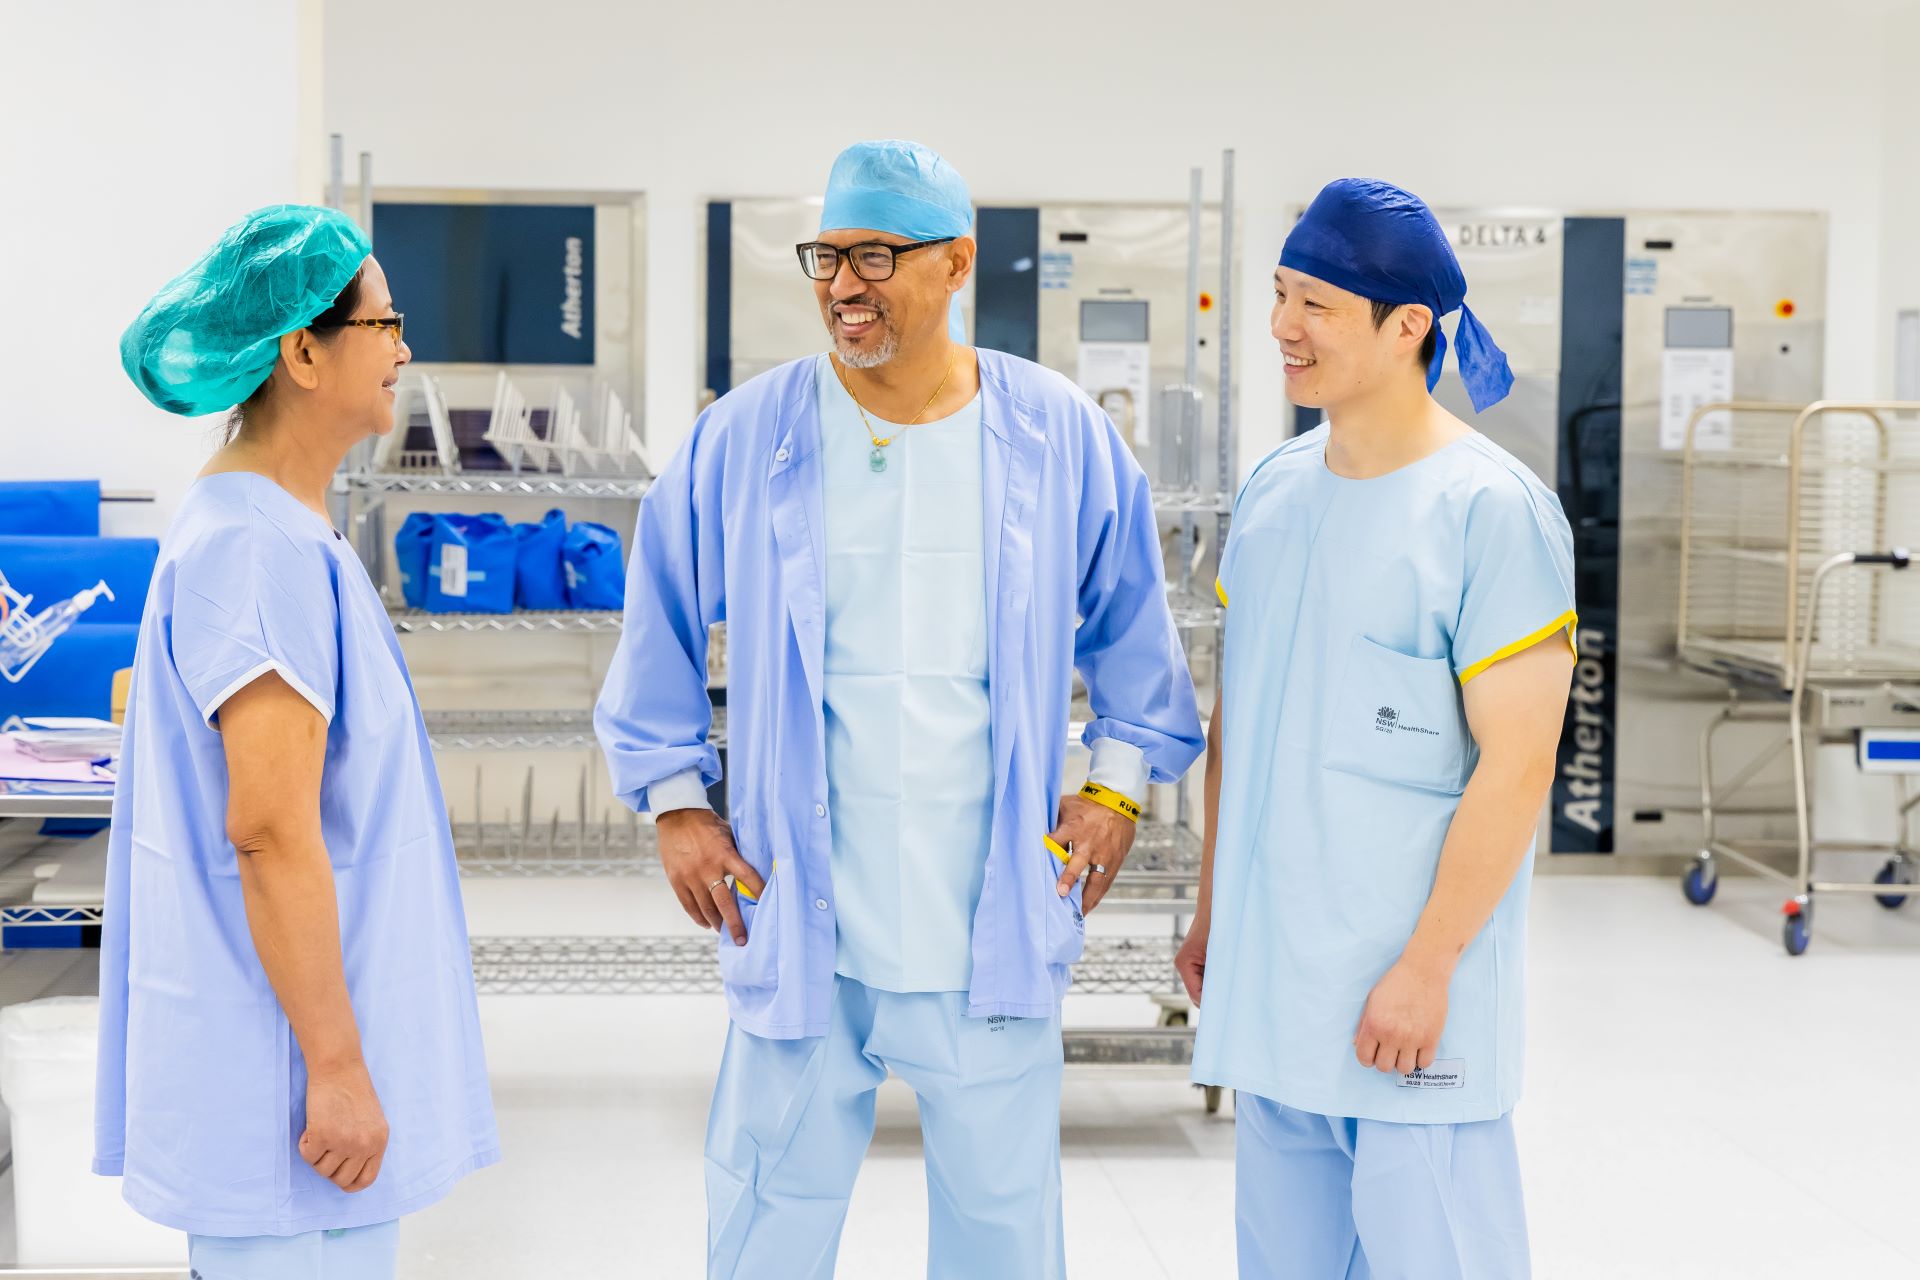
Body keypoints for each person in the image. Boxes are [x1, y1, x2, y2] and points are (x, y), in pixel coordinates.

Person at [595, 139, 1205, 1279]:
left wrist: (1117, 787)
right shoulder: (752, 432)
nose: (841, 284)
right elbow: (660, 613)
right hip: (799, 908)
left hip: (985, 909)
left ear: (957, 263)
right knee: (767, 1215)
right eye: (824, 255)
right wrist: (678, 801)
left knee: (1001, 1229)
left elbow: (1137, 633)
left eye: (874, 254)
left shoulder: (1055, 432)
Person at [1175, 178, 1576, 1280]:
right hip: (1275, 984)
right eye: (1279, 295)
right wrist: (1218, 910)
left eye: (1315, 304)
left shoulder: (1490, 510)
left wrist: (1429, 964)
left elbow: (1519, 759)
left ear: (1409, 329)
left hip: (1409, 993)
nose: (1280, 329)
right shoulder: (1274, 493)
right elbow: (1241, 722)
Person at [97, 205, 499, 1278]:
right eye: (387, 321)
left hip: (290, 1098)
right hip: (288, 1102)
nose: (405, 349)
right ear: (305, 351)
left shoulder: (274, 528)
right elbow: (271, 831)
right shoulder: (255, 549)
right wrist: (336, 1067)